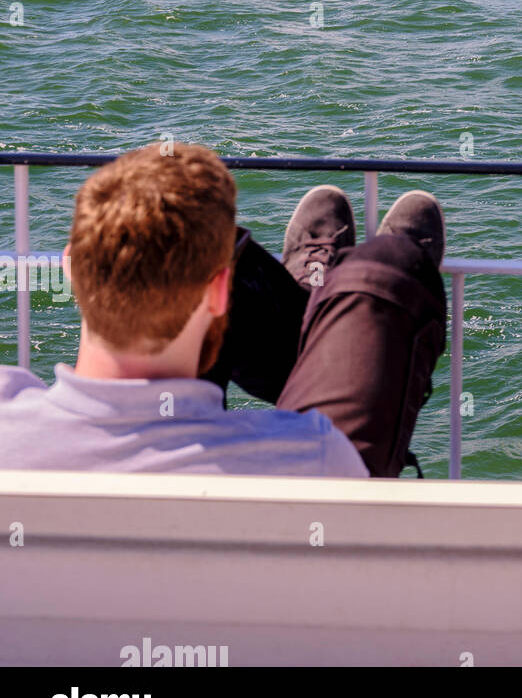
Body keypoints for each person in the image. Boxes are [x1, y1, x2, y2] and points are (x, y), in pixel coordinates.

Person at [0, 143, 446, 478]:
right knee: (390, 264)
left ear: (70, 268)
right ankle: (356, 289)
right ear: (220, 292)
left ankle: (318, 310)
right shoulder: (314, 456)